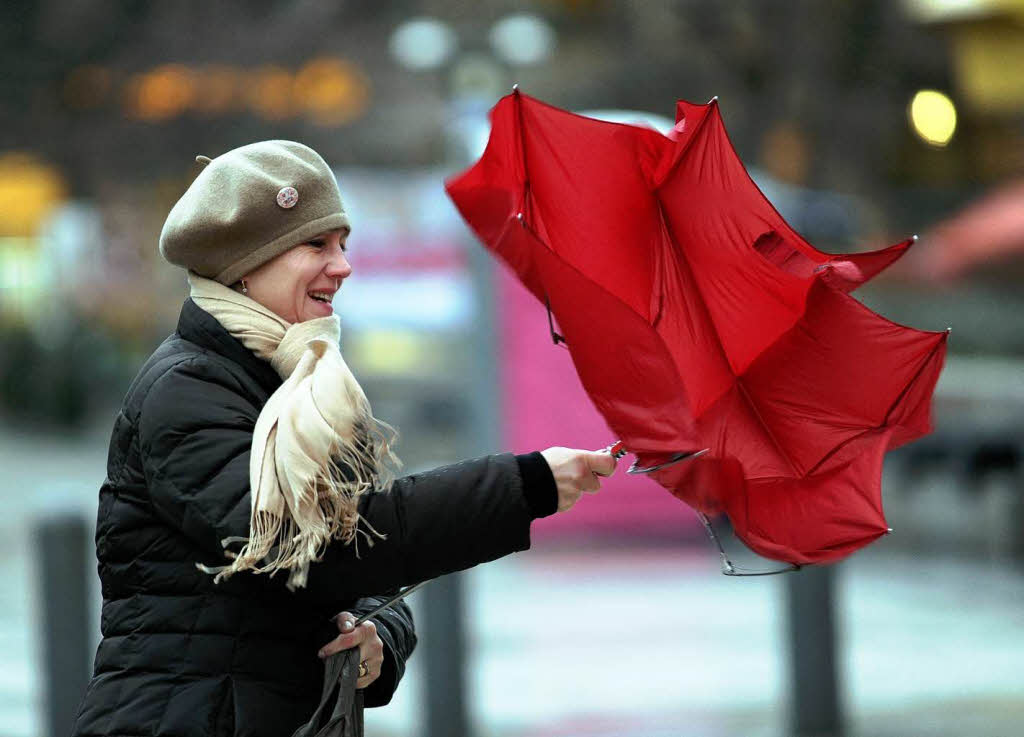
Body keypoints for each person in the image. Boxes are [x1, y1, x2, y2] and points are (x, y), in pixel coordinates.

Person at [69, 140, 617, 737]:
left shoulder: (314, 387)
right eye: (317, 244)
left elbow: (369, 569)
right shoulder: (188, 387)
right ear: (246, 266)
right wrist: (525, 485)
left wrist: (379, 641)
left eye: (343, 245)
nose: (343, 266)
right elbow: (310, 549)